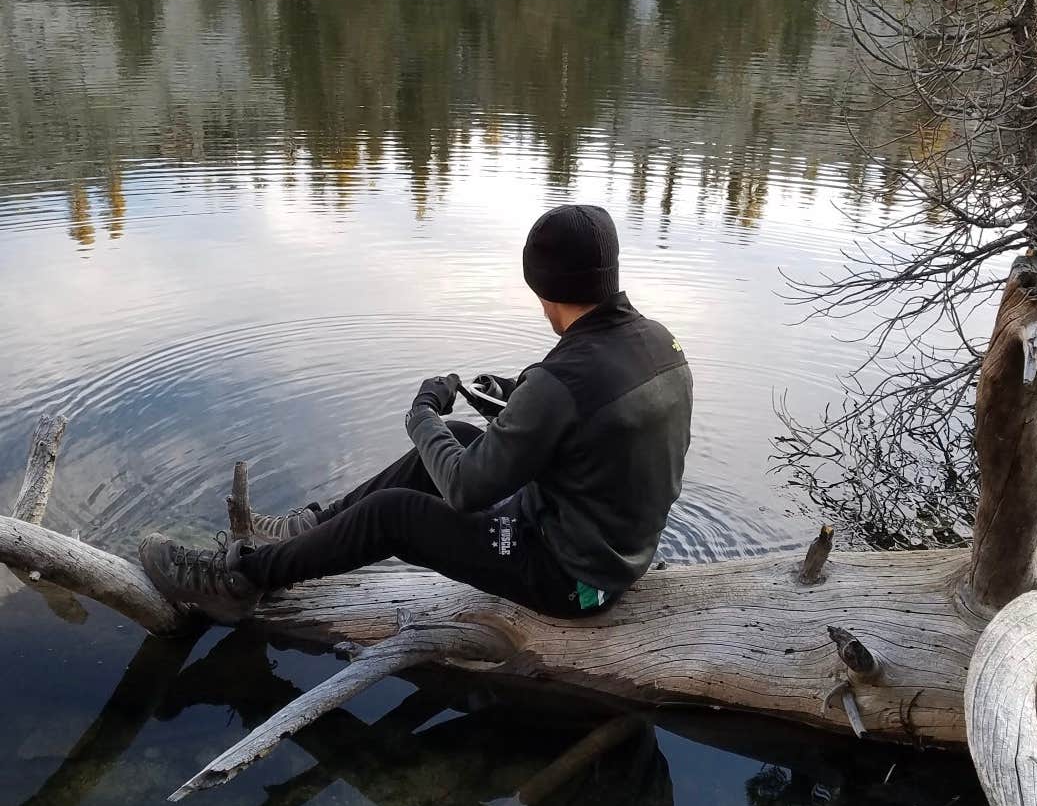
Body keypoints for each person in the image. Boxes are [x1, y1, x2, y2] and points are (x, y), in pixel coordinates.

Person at [139, 204, 694, 624]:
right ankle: (306, 530)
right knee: (459, 434)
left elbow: (465, 491)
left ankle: (239, 580)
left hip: (574, 583)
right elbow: (588, 416)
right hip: (614, 554)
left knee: (395, 512)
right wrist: (515, 391)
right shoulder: (657, 342)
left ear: (542, 287)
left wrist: (422, 413)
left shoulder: (562, 382)